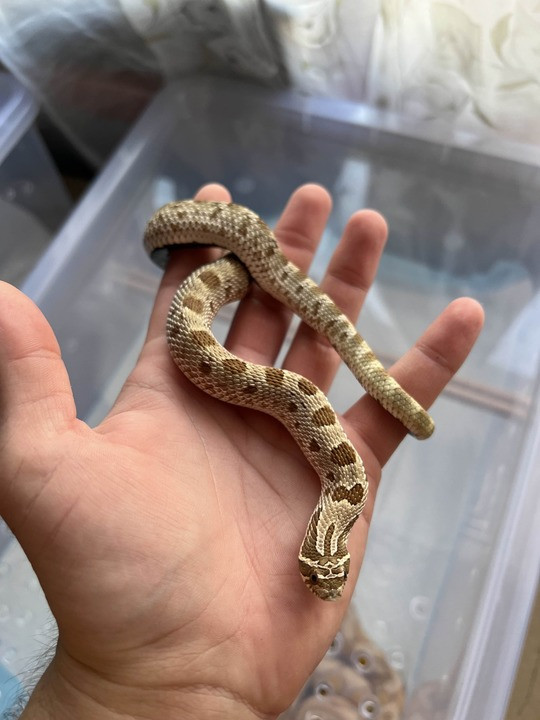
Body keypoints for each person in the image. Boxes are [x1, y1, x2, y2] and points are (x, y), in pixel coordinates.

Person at [0, 184, 484, 720]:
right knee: (242, 264)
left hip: (242, 282)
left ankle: (243, 247)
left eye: (321, 574)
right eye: (324, 575)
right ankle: (240, 245)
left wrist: (126, 691)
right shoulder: (345, 486)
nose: (323, 589)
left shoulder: (346, 485)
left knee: (248, 268)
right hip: (229, 282)